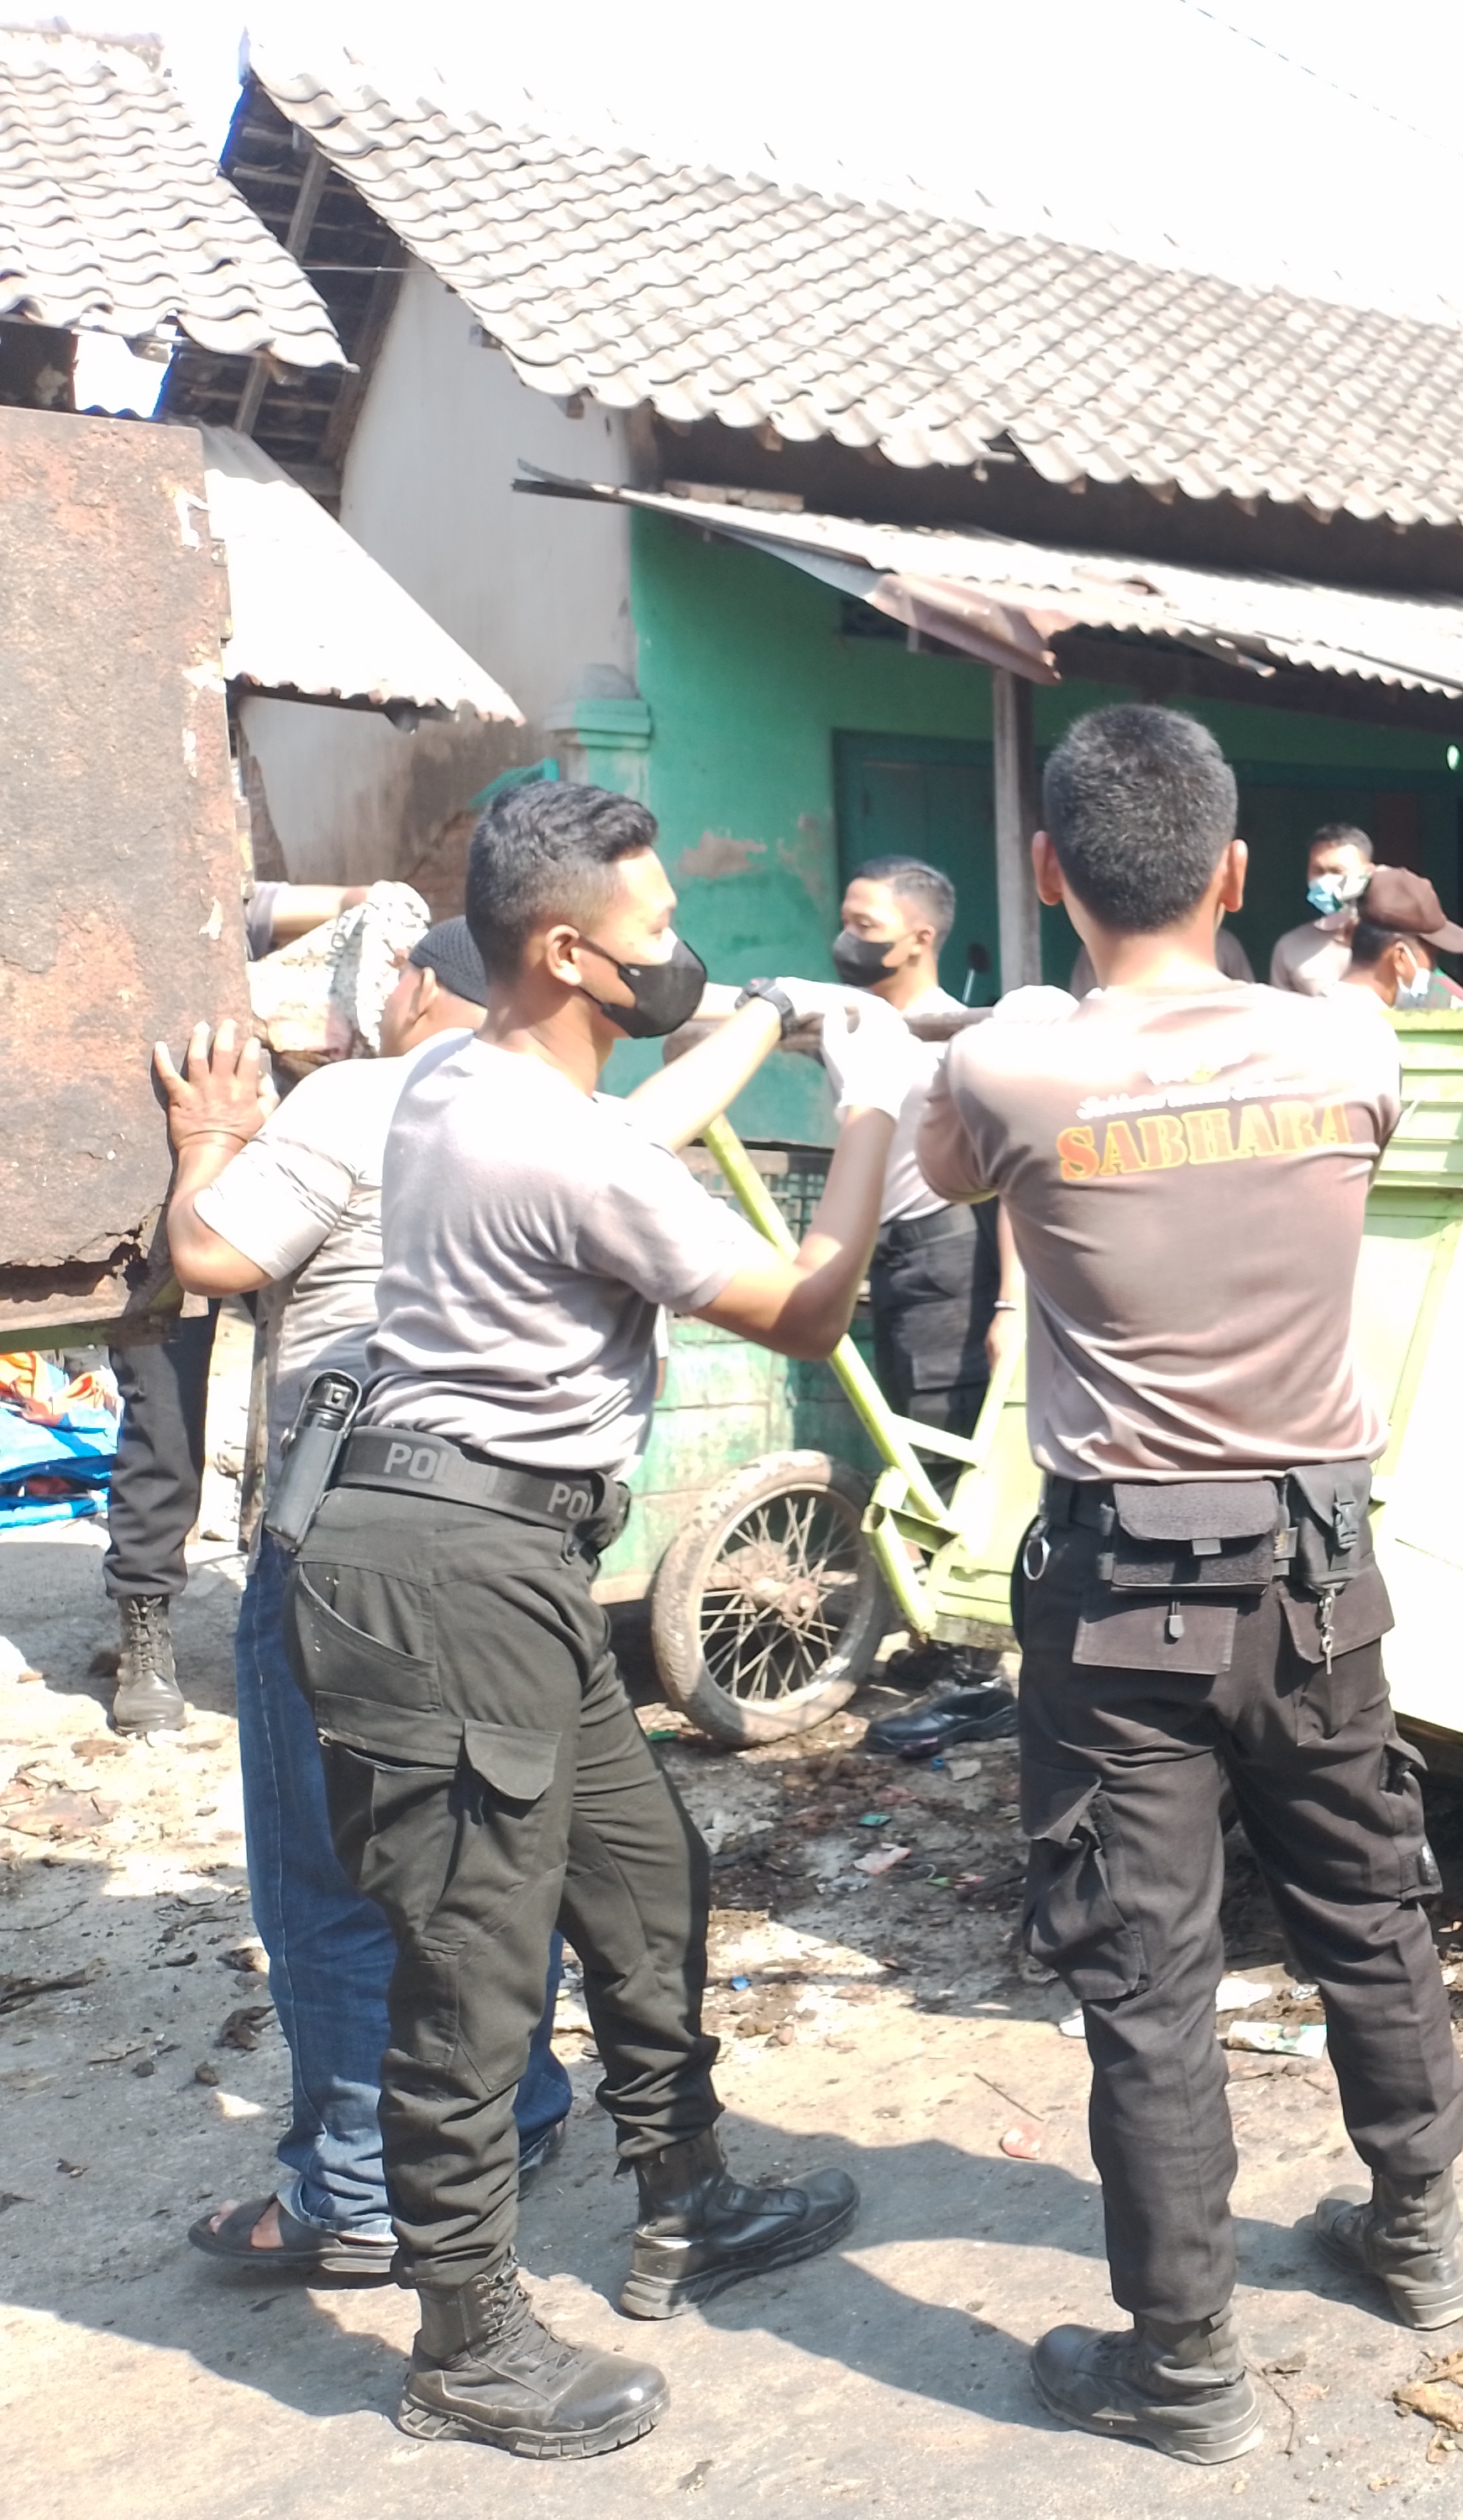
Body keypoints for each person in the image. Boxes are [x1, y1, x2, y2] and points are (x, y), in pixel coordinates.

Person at [282, 780, 913, 2458]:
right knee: (473, 1967)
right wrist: (872, 1117)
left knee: (641, 1874)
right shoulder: (540, 1134)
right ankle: (466, 2343)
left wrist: (772, 1017)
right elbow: (805, 1306)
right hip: (447, 1578)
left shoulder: (461, 1077)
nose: (676, 957)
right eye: (654, 936)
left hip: (494, 1562)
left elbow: (629, 1136)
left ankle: (682, 2197)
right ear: (568, 952)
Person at [914, 705, 1463, 2466]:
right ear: (1236, 874)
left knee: (1146, 1983)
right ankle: (1417, 2237)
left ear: (1047, 870)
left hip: (1120, 1596)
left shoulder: (1006, 1074)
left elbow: (942, 1173)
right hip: (1317, 1577)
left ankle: (1188, 2367)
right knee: (1369, 1902)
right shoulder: (1354, 1048)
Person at [152, 924, 574, 2280]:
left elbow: (211, 1260)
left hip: (347, 1548)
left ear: (412, 983)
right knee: (492, 1850)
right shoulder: (570, 1108)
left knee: (331, 1873)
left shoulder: (362, 1095)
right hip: (516, 1545)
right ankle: (520, 2111)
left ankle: (358, 2194)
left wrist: (211, 1141)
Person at [98, 881, 379, 1733]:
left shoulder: (197, 892)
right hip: (164, 1195)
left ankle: (327, 1608)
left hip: (284, 1187)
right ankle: (145, 1624)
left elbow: (268, 901)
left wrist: (377, 907)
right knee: (164, 1419)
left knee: (334, 1389)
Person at [826, 856, 1003, 1437]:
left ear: (919, 939)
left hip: (944, 1259)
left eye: (866, 927)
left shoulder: (955, 1040)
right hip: (887, 1259)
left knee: (937, 1443)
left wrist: (1012, 1307)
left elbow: (1013, 1179)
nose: (847, 940)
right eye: (845, 923)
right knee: (899, 1432)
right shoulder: (850, 1023)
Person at [1335, 866, 1463, 1011]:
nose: (1433, 972)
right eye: (1431, 958)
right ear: (1400, 958)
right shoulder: (1377, 1028)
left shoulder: (1314, 1010)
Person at [1268, 822, 1375, 995]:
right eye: (1318, 871)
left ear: (1368, 873)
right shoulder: (1290, 947)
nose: (1325, 880)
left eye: (1336, 871)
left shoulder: (1394, 943)